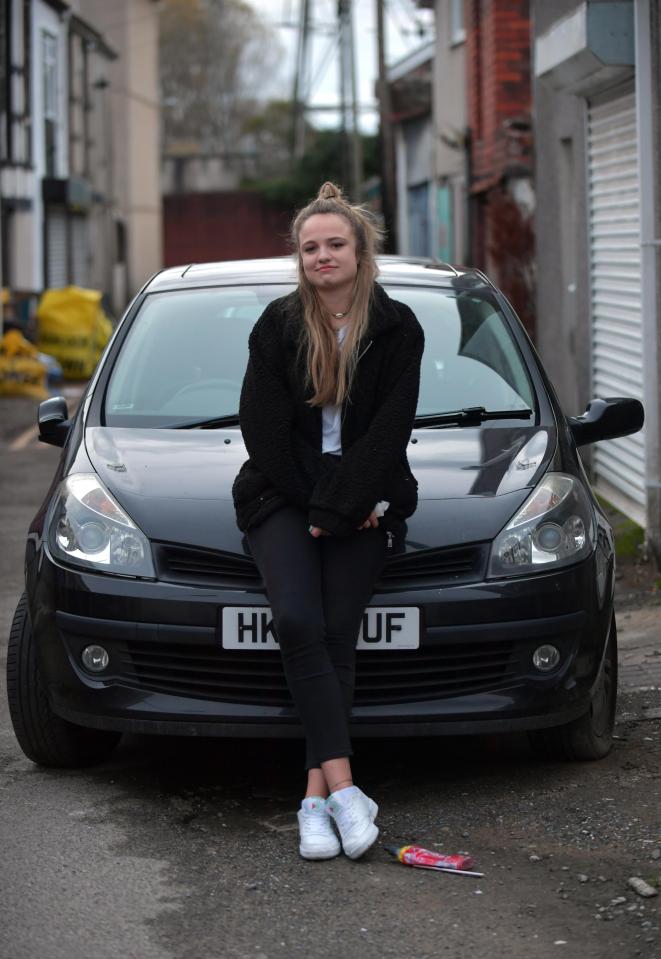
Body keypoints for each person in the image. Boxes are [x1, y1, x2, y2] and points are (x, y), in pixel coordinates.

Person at [232, 181, 424, 861]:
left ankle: (314, 799)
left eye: (334, 243)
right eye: (309, 246)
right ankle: (346, 787)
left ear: (360, 249)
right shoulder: (278, 325)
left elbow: (388, 433)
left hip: (366, 498)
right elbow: (264, 430)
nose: (321, 255)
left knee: (338, 631)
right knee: (297, 623)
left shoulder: (398, 327)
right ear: (299, 256)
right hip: (280, 495)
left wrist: (346, 505)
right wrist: (319, 503)